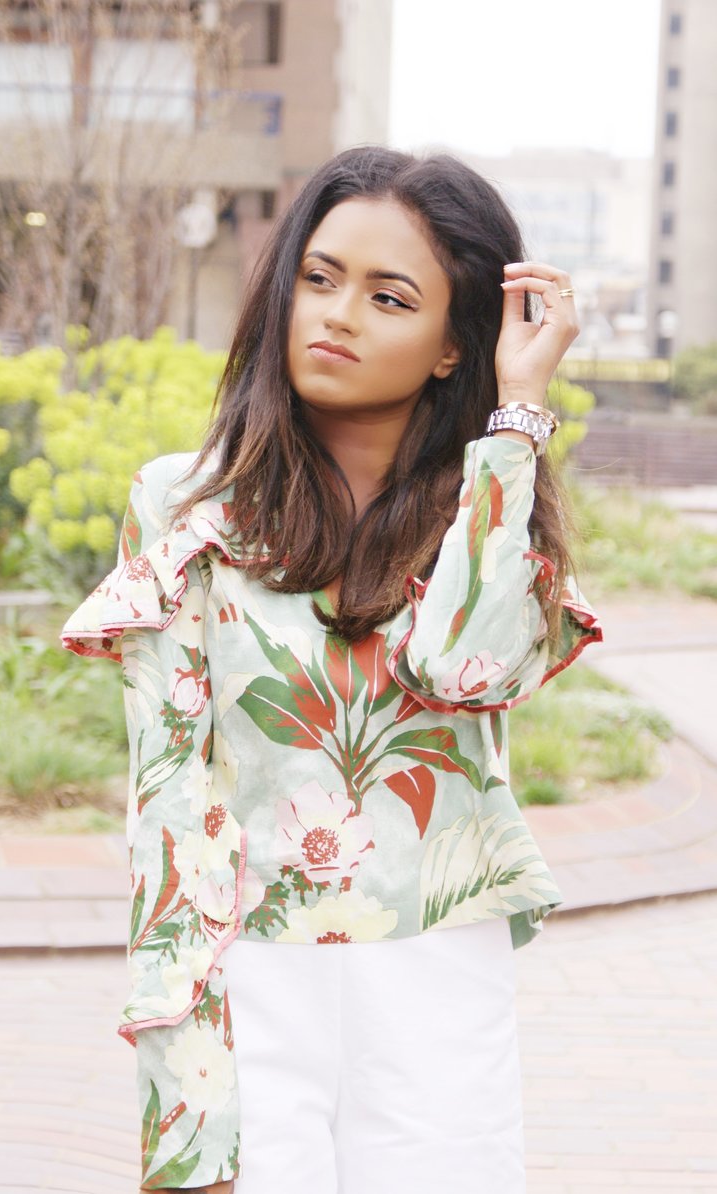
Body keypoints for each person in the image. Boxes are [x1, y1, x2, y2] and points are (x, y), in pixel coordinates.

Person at [61, 145, 602, 1194]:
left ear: (454, 347)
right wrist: (180, 1051)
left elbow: (463, 666)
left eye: (388, 297)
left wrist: (518, 418)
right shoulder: (184, 508)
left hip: (438, 960)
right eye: (318, 278)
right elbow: (167, 790)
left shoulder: (489, 512)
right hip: (249, 962)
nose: (337, 315)